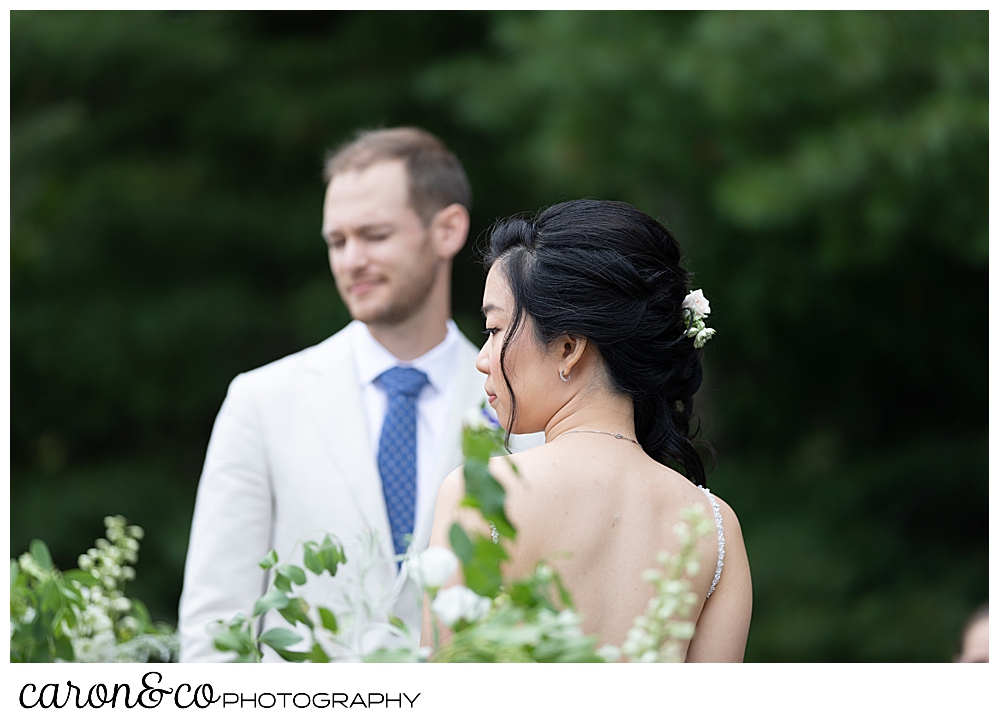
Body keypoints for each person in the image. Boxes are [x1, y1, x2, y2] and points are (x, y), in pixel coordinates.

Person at [178, 127, 536, 662]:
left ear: (447, 230)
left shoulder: (525, 403)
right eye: (337, 242)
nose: (350, 261)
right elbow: (215, 627)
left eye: (374, 235)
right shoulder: (261, 401)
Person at [425, 199, 753, 661]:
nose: (483, 358)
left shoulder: (483, 493)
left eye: (495, 329)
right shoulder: (714, 527)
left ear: (568, 347)